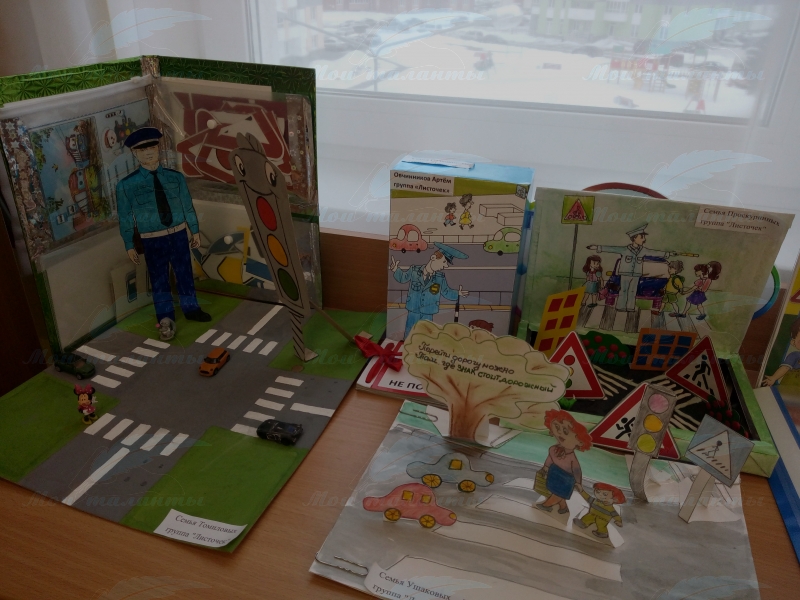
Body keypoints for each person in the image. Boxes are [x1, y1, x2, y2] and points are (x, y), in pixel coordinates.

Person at [116, 127, 210, 326]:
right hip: (152, 238)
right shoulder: (126, 185)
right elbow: (125, 217)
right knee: (159, 278)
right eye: (142, 150)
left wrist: (194, 230)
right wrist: (129, 244)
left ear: (158, 148)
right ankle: (165, 316)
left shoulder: (175, 178)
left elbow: (187, 205)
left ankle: (191, 308)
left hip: (178, 234)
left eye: (152, 147)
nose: (148, 152)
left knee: (184, 273)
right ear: (134, 153)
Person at [588, 224, 676, 313]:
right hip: (625, 273)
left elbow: (654, 253)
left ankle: (630, 307)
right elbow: (612, 249)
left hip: (636, 274)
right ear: (634, 238)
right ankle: (621, 306)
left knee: (633, 291)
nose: (644, 240)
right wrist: (597, 247)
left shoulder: (643, 250)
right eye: (641, 237)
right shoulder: (625, 249)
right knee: (623, 290)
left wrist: (668, 254)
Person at [390, 242, 469, 339]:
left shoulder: (440, 278)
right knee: (410, 332)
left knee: (426, 334)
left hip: (428, 312)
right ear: (433, 258)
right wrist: (396, 270)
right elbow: (403, 278)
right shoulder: (414, 270)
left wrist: (458, 293)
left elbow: (446, 292)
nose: (445, 266)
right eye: (444, 262)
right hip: (413, 309)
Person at [535, 409, 593, 515]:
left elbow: (577, 470)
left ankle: (546, 505)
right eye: (557, 427)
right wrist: (545, 468)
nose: (559, 433)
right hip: (554, 473)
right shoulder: (553, 449)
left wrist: (578, 483)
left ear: (580, 442)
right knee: (555, 492)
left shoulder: (572, 458)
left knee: (558, 494)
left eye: (565, 431)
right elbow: (550, 459)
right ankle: (563, 507)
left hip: (566, 479)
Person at [762, 318, 800, 386]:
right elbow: (785, 368)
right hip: (790, 386)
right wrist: (774, 378)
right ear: (793, 341)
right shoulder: (794, 355)